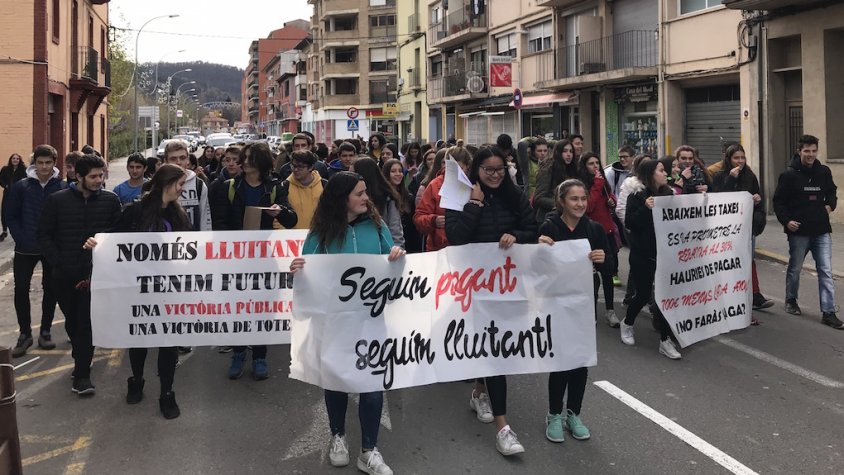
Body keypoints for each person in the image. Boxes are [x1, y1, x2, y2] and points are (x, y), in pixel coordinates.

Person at [290, 171, 403, 475]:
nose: (366, 198)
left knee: (372, 382)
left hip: (370, 321)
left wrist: (395, 256)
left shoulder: (377, 226)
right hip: (334, 324)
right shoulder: (321, 234)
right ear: (342, 199)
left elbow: (391, 266)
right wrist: (298, 269)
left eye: (366, 192)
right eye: (359, 193)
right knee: (335, 379)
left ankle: (369, 449)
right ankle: (338, 435)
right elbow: (309, 276)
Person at [445, 145, 537, 456]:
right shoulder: (461, 197)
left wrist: (517, 236)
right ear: (476, 172)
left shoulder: (515, 196)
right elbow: (455, 238)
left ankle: (478, 393)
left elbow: (532, 230)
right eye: (488, 170)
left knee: (494, 348)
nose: (496, 175)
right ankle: (503, 428)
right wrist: (474, 204)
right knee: (494, 351)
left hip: (508, 286)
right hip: (473, 287)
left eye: (500, 169)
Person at [211, 142, 297, 379]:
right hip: (236, 258)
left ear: (261, 162)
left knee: (262, 308)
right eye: (243, 158)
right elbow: (220, 223)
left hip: (264, 258)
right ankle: (238, 353)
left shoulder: (276, 186)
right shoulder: (229, 186)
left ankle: (260, 356)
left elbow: (291, 220)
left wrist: (280, 211)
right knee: (239, 307)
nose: (244, 162)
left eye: (249, 158)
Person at [37, 154, 122, 395]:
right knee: (73, 323)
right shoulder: (57, 201)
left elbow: (117, 234)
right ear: (79, 176)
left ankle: (82, 376)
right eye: (94, 176)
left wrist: (102, 245)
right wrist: (58, 261)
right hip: (64, 276)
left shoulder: (110, 200)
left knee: (86, 324)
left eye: (102, 175)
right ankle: (80, 357)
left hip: (97, 276)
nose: (99, 180)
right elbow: (43, 234)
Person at [111, 164, 190, 419]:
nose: (182, 189)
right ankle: (136, 379)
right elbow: (113, 241)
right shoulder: (135, 212)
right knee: (140, 338)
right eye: (179, 183)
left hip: (169, 289)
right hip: (139, 289)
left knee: (168, 342)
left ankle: (167, 393)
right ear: (166, 183)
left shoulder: (179, 215)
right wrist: (96, 245)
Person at [538, 179, 608, 443]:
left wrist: (603, 260)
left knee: (580, 360)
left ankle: (573, 413)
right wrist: (539, 247)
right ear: (562, 202)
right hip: (556, 302)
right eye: (574, 199)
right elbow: (537, 265)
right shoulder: (550, 227)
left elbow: (609, 264)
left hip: (583, 302)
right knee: (562, 361)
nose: (580, 204)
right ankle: (554, 414)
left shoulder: (594, 229)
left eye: (583, 199)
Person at [773, 134, 841, 329]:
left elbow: (831, 191)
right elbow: (779, 201)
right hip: (799, 232)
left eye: (814, 151)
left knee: (826, 271)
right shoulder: (789, 175)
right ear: (799, 151)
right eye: (807, 151)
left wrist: (830, 205)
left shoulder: (824, 172)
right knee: (795, 269)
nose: (810, 155)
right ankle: (791, 300)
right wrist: (787, 221)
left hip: (821, 230)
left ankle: (829, 312)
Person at [7, 145, 66, 357]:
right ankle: (24, 334)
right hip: (25, 248)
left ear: (54, 163)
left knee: (51, 289)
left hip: (51, 247)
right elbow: (10, 215)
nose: (43, 167)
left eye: (48, 163)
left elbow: (65, 218)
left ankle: (46, 331)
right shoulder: (22, 186)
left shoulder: (62, 186)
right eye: (40, 163)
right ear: (34, 163)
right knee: (21, 289)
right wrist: (20, 237)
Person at [620, 159, 681, 359]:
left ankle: (665, 340)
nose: (666, 174)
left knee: (665, 297)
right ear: (650, 174)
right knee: (643, 294)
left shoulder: (669, 195)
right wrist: (646, 209)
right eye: (662, 171)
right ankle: (627, 323)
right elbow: (630, 223)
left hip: (665, 254)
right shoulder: (637, 196)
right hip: (643, 254)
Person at [711, 144, 772, 322]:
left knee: (747, 262)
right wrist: (730, 180)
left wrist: (757, 202)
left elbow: (758, 200)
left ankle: (754, 295)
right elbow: (718, 200)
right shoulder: (720, 176)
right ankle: (734, 303)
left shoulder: (750, 176)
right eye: (736, 158)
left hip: (746, 228)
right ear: (728, 160)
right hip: (727, 230)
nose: (740, 162)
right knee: (730, 265)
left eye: (742, 158)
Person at [578, 152, 620, 327]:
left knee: (608, 274)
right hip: (591, 234)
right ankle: (592, 312)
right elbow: (589, 206)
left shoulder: (602, 183)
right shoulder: (586, 185)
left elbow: (609, 198)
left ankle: (610, 310)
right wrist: (597, 184)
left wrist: (612, 200)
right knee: (593, 278)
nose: (595, 166)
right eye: (590, 164)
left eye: (597, 163)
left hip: (607, 232)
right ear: (584, 167)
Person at [414, 146, 467, 252]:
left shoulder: (474, 185)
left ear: (467, 166)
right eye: (451, 167)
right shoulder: (434, 185)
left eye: (459, 168)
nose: (455, 172)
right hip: (439, 250)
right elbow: (418, 218)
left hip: (468, 249)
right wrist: (433, 220)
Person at [350, 158, 404, 249]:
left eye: (352, 173)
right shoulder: (350, 197)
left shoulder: (388, 198)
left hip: (381, 252)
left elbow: (396, 231)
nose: (349, 177)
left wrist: (396, 252)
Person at [164, 140, 212, 231]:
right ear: (166, 160)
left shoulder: (199, 185)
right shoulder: (158, 184)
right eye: (173, 159)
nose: (178, 162)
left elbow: (205, 218)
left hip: (192, 242)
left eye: (182, 158)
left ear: (188, 159)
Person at [382, 158, 422, 253]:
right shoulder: (383, 198)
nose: (398, 174)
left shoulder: (409, 197)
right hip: (390, 247)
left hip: (410, 245)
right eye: (393, 171)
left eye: (400, 171)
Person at [279, 150, 326, 230]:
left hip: (319, 237)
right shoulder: (284, 186)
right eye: (293, 166)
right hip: (292, 239)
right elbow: (279, 216)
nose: (295, 170)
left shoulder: (324, 185)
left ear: (310, 167)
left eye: (300, 167)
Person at [534, 139, 578, 222]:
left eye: (571, 151)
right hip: (548, 218)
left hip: (567, 218)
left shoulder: (572, 169)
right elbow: (539, 198)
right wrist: (562, 205)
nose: (569, 154)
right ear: (558, 152)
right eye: (565, 151)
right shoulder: (548, 169)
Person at [0, 152, 27, 240]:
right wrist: (5, 185)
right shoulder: (5, 169)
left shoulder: (23, 170)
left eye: (17, 159)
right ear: (10, 160)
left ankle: (18, 230)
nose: (15, 160)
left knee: (18, 212)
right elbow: (0, 179)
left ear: (20, 160)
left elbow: (26, 180)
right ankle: (4, 231)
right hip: (7, 194)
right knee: (4, 211)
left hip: (18, 195)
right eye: (13, 158)